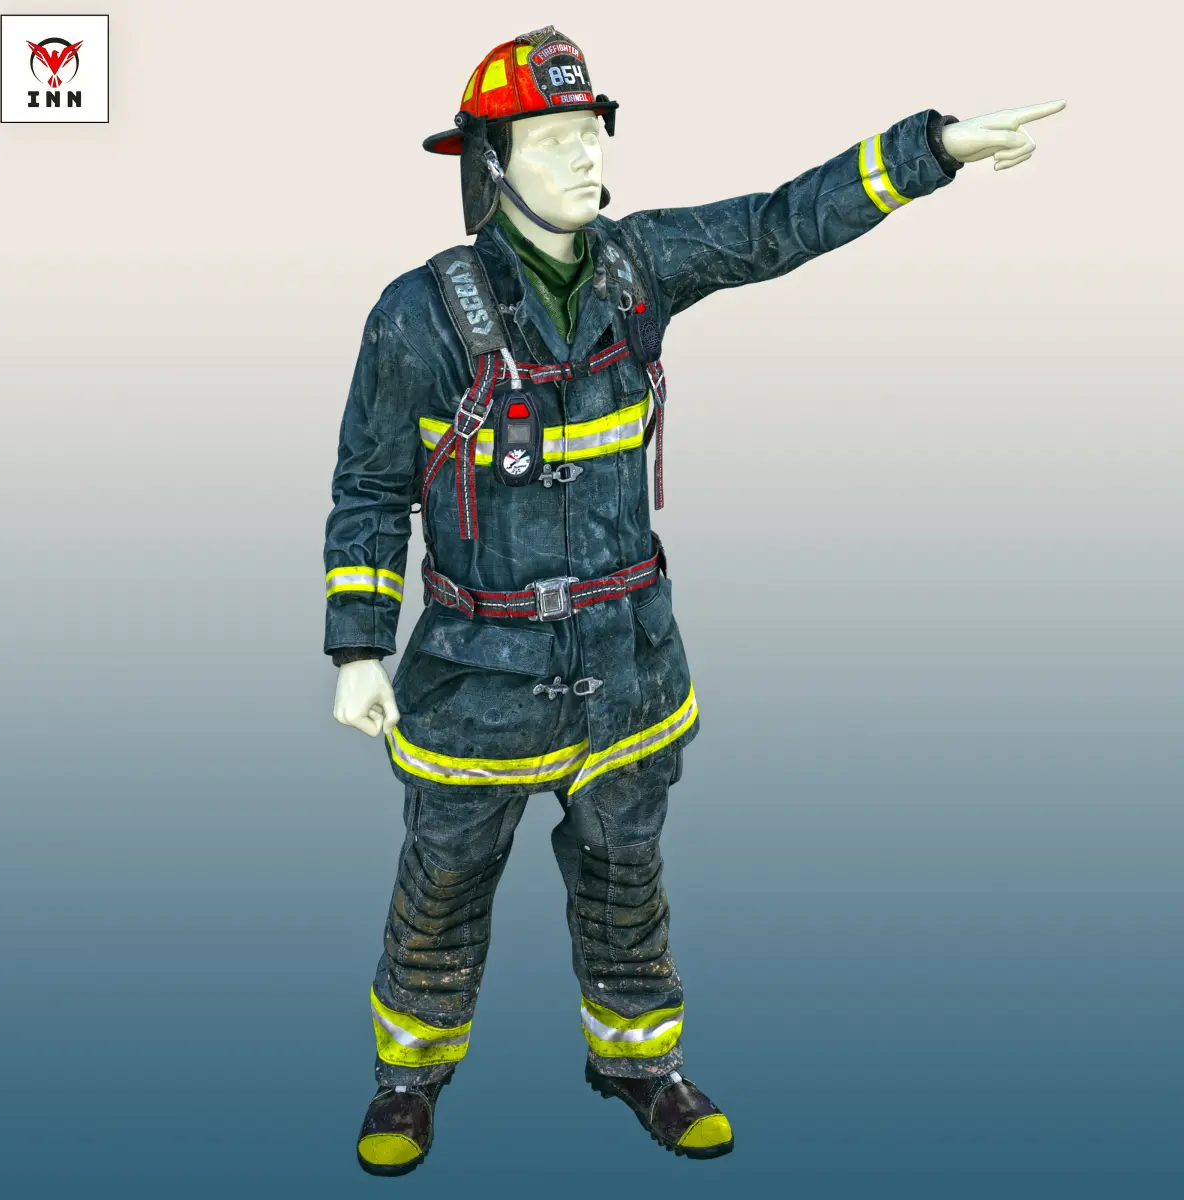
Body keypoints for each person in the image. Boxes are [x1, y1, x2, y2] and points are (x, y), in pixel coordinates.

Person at [323, 24, 1065, 1176]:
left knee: (627, 882)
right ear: (490, 162)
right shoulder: (416, 315)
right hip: (478, 678)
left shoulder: (642, 265)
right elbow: (371, 488)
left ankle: (639, 1064)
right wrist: (359, 650)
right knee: (443, 883)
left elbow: (776, 225)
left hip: (630, 664)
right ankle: (407, 1078)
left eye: (591, 132)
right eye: (553, 139)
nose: (585, 156)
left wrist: (936, 150)